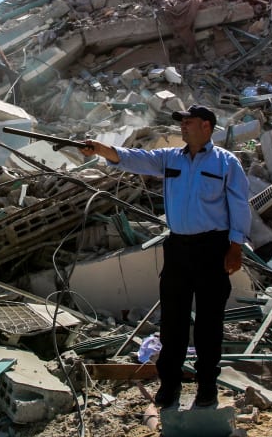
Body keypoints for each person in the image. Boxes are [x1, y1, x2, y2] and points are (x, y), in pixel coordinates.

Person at [80, 104, 250, 408]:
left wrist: (235, 247)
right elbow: (136, 159)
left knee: (209, 323)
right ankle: (169, 385)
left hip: (213, 249)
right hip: (178, 249)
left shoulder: (227, 163)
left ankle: (206, 387)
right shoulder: (171, 158)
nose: (183, 127)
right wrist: (102, 149)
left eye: (189, 122)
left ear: (207, 127)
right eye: (182, 123)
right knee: (173, 321)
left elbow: (239, 205)